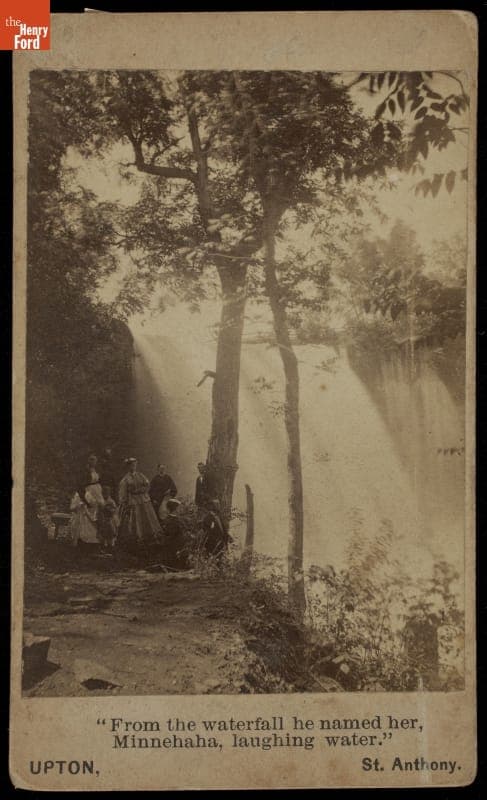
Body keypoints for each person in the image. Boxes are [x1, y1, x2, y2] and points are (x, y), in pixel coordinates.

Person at [118, 458, 162, 551]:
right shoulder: (125, 479)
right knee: (135, 519)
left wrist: (141, 490)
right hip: (132, 500)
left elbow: (147, 485)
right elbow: (123, 493)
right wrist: (125, 502)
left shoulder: (140, 475)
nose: (133, 467)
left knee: (146, 517)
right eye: (131, 465)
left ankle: (149, 539)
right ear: (128, 466)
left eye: (134, 465)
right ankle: (136, 540)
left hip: (143, 499)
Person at [69, 454, 105, 546]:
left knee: (99, 510)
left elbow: (97, 481)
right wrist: (86, 499)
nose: (94, 462)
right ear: (88, 461)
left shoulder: (96, 470)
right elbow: (81, 486)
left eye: (95, 460)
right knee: (87, 511)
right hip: (87, 492)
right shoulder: (84, 471)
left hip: (96, 493)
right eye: (91, 460)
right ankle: (84, 537)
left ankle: (98, 537)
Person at [200, 499, 231, 563]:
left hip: (220, 544)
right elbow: (206, 531)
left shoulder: (218, 517)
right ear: (211, 506)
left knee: (219, 561)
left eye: (218, 505)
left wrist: (227, 537)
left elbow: (223, 530)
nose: (218, 506)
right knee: (212, 561)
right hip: (212, 545)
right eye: (216, 505)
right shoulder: (208, 517)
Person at [161, 498, 188, 570]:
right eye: (179, 508)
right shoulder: (172, 520)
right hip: (174, 546)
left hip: (178, 545)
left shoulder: (173, 519)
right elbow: (171, 535)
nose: (180, 509)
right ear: (175, 509)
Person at [98, 485, 120, 553]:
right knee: (103, 533)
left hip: (110, 519)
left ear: (109, 493)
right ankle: (104, 546)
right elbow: (99, 510)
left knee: (111, 533)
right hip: (103, 519)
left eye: (106, 493)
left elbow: (114, 510)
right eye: (103, 493)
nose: (105, 495)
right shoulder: (101, 501)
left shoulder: (111, 501)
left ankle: (111, 546)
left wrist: (108, 509)